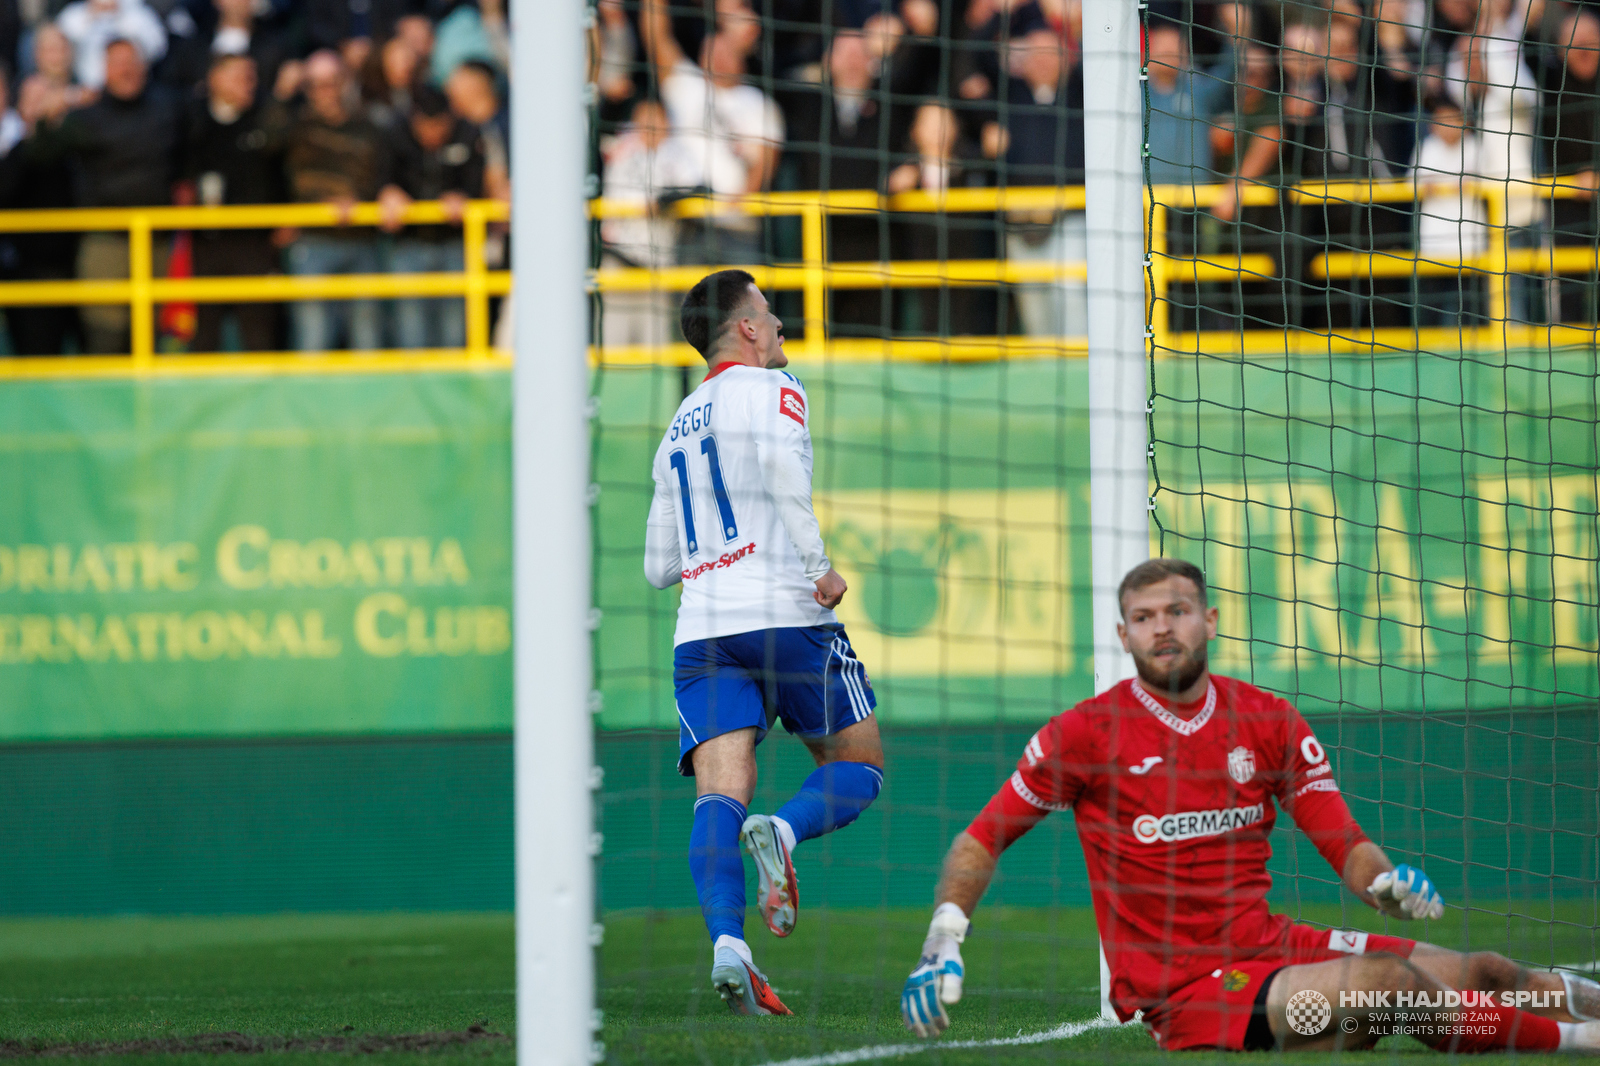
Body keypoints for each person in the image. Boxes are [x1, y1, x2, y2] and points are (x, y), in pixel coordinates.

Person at [899, 557, 1600, 1052]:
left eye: (1176, 611)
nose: (1162, 628)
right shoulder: (1084, 734)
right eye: (1143, 618)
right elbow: (980, 840)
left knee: (1489, 973)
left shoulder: (1267, 719)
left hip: (1272, 947)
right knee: (1387, 985)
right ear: (1124, 636)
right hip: (1191, 992)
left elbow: (1344, 843)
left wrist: (1383, 884)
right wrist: (944, 937)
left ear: (1209, 619)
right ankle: (1577, 1043)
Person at [643, 270, 885, 1016]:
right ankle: (781, 829)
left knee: (716, 794)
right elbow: (782, 470)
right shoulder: (775, 390)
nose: (779, 321)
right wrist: (818, 565)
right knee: (861, 766)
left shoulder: (676, 425)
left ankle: (729, 946)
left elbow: (658, 567)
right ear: (745, 328)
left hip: (704, 632)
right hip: (786, 611)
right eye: (768, 310)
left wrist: (716, 553)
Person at [25, 36, 182, 353]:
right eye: (118, 63)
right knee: (106, 336)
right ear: (104, 69)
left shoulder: (167, 108)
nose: (126, 70)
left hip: (159, 239)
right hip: (106, 242)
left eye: (132, 62)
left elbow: (190, 156)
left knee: (155, 336)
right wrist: (44, 118)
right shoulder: (87, 115)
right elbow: (40, 157)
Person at [638, 0, 784, 265]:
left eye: (723, 49)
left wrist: (736, 206)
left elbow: (765, 163)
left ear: (739, 58)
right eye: (709, 49)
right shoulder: (686, 86)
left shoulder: (758, 103)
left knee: (740, 304)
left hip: (737, 230)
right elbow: (655, 35)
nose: (715, 55)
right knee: (686, 304)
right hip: (689, 224)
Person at [280, 49, 392, 352]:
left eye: (332, 81)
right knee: (313, 336)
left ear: (346, 82)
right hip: (312, 241)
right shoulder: (294, 127)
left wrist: (359, 199)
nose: (325, 92)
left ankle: (369, 400)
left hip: (361, 238)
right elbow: (264, 146)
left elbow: (383, 175)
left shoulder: (370, 126)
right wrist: (281, 95)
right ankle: (309, 400)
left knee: (367, 335)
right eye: (316, 84)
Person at [181, 51, 288, 352]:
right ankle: (203, 400)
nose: (248, 83)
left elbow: (284, 168)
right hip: (206, 243)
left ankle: (263, 400)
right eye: (239, 75)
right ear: (215, 79)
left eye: (251, 76)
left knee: (259, 335)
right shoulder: (192, 120)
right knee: (204, 336)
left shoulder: (265, 118)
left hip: (255, 244)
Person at [379, 83, 484, 349]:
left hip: (453, 243)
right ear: (415, 119)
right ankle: (412, 392)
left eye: (439, 126)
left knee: (455, 332)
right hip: (409, 244)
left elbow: (479, 183)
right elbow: (380, 177)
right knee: (411, 332)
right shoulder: (394, 133)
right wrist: (388, 192)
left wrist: (464, 196)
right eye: (426, 127)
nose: (433, 134)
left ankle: (454, 392)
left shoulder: (469, 133)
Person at [597, 98, 697, 348]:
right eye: (643, 118)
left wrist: (669, 199)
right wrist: (664, 201)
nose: (650, 125)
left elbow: (697, 187)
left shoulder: (679, 153)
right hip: (619, 260)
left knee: (656, 346)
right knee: (614, 345)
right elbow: (639, 203)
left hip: (658, 265)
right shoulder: (623, 150)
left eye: (656, 118)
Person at [1413, 97, 1488, 327]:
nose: (1445, 125)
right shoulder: (1427, 147)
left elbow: (1490, 182)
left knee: (1472, 311)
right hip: (1434, 245)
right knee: (1429, 310)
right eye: (1440, 120)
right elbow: (1410, 184)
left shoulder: (1476, 147)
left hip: (1470, 245)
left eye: (1451, 119)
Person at [54, 0, 165, 90]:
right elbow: (56, 52)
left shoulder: (139, 13)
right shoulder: (71, 15)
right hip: (83, 91)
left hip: (133, 91)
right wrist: (90, 16)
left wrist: (119, 14)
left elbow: (157, 48)